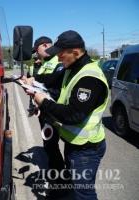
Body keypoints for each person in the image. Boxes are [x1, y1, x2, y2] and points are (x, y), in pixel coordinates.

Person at [23, 30, 109, 199]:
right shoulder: (72, 68)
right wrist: (34, 80)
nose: (59, 60)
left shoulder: (89, 78)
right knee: (74, 188)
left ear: (75, 53)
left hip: (87, 149)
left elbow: (72, 115)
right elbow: (53, 78)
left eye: (61, 56)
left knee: (84, 193)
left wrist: (43, 101)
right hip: (74, 144)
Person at [30, 36, 66, 199]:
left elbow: (58, 92)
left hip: (53, 112)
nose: (36, 55)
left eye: (37, 51)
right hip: (45, 112)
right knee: (50, 148)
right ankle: (59, 182)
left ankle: (60, 187)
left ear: (45, 45)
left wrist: (38, 92)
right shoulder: (44, 63)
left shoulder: (58, 64)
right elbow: (43, 82)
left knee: (52, 149)